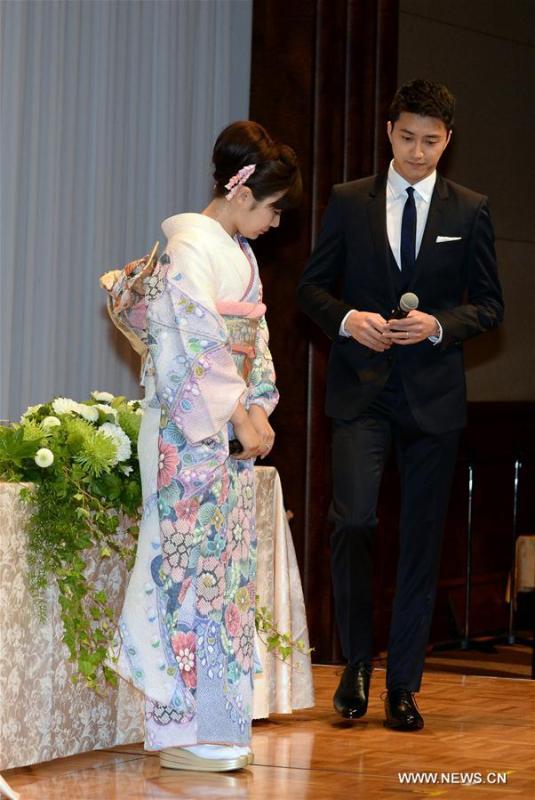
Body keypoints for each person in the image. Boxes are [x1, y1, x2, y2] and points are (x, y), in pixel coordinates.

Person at [297, 79, 503, 731]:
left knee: (419, 541)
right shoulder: (347, 201)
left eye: (432, 141)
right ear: (388, 132)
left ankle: (403, 686)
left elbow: (490, 305)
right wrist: (347, 319)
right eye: (408, 138)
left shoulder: (469, 210)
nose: (417, 153)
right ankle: (356, 660)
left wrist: (439, 326)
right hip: (360, 391)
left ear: (448, 141)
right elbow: (309, 288)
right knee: (352, 521)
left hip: (433, 400)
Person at [102, 121, 301, 770]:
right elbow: (191, 344)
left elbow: (253, 339)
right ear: (243, 196)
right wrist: (239, 412)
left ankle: (217, 722)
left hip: (222, 432)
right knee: (185, 574)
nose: (274, 224)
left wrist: (260, 406)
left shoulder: (235, 254)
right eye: (273, 210)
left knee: (222, 581)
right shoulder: (190, 245)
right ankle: (179, 730)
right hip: (187, 437)